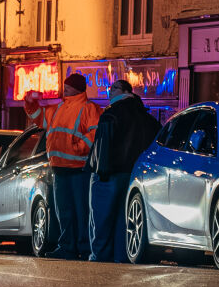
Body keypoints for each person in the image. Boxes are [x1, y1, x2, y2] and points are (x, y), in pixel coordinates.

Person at [88, 79, 160, 261]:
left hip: (109, 173)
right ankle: (121, 257)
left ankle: (100, 256)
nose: (110, 91)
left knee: (101, 218)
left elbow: (102, 146)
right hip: (133, 176)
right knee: (124, 219)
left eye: (114, 88)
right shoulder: (148, 119)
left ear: (126, 91)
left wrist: (100, 171)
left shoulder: (111, 114)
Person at [44, 73, 99, 259]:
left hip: (78, 168)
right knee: (65, 211)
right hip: (60, 168)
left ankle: (82, 247)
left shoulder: (88, 108)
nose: (64, 90)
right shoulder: (59, 108)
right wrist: (30, 104)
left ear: (76, 88)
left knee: (80, 211)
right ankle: (68, 246)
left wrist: (77, 148)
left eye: (68, 87)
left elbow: (94, 135)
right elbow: (40, 119)